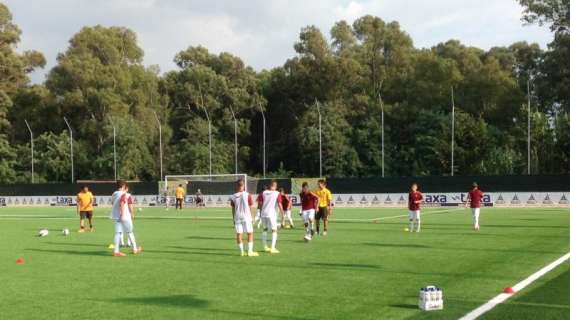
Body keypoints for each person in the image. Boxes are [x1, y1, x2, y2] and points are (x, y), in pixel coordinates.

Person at [111, 180, 142, 257]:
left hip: (116, 216)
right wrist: (132, 214)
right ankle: (135, 249)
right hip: (125, 216)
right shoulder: (125, 195)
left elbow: (113, 203)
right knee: (130, 232)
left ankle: (116, 251)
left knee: (118, 233)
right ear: (123, 186)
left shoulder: (114, 194)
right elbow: (123, 203)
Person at [230, 180, 259, 257]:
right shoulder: (247, 195)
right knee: (250, 233)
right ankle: (250, 252)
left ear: (236, 186)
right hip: (246, 217)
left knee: (239, 234)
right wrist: (252, 217)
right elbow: (251, 207)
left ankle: (242, 252)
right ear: (243, 186)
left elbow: (233, 209)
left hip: (237, 217)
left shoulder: (232, 196)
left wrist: (233, 219)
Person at [260, 180, 284, 253]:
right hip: (271, 214)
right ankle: (272, 248)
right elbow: (280, 204)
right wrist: (283, 214)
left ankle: (265, 246)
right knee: (274, 230)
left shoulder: (263, 192)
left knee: (264, 229)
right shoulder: (277, 193)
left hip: (263, 213)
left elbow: (260, 204)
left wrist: (261, 212)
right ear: (275, 186)